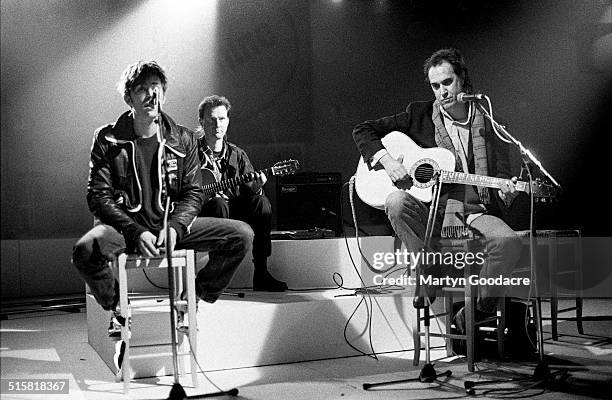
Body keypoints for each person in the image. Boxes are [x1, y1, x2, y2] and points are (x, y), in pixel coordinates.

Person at [72, 61, 254, 376]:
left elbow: (192, 194)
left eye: (156, 87)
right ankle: (116, 308)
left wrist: (175, 227)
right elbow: (97, 196)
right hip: (124, 229)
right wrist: (135, 231)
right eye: (142, 88)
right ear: (128, 97)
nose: (151, 94)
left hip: (169, 225)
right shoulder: (107, 138)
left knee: (241, 235)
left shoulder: (182, 139)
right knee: (85, 251)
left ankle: (193, 298)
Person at [352, 48, 523, 331]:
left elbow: (502, 175)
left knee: (508, 242)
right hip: (430, 211)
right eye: (435, 86)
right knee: (395, 200)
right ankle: (426, 267)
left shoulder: (491, 123)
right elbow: (363, 130)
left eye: (447, 82)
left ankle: (473, 312)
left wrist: (507, 190)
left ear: (463, 79)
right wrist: (388, 161)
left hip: (474, 211)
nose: (441, 91)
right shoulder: (418, 114)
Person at [195, 95, 288, 292]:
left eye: (221, 119)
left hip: (232, 212)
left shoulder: (238, 154)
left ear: (228, 121)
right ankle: (215, 275)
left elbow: (250, 191)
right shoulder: (190, 153)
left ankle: (261, 273)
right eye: (211, 119)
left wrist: (256, 187)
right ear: (201, 121)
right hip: (201, 214)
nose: (217, 124)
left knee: (261, 202)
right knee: (218, 205)